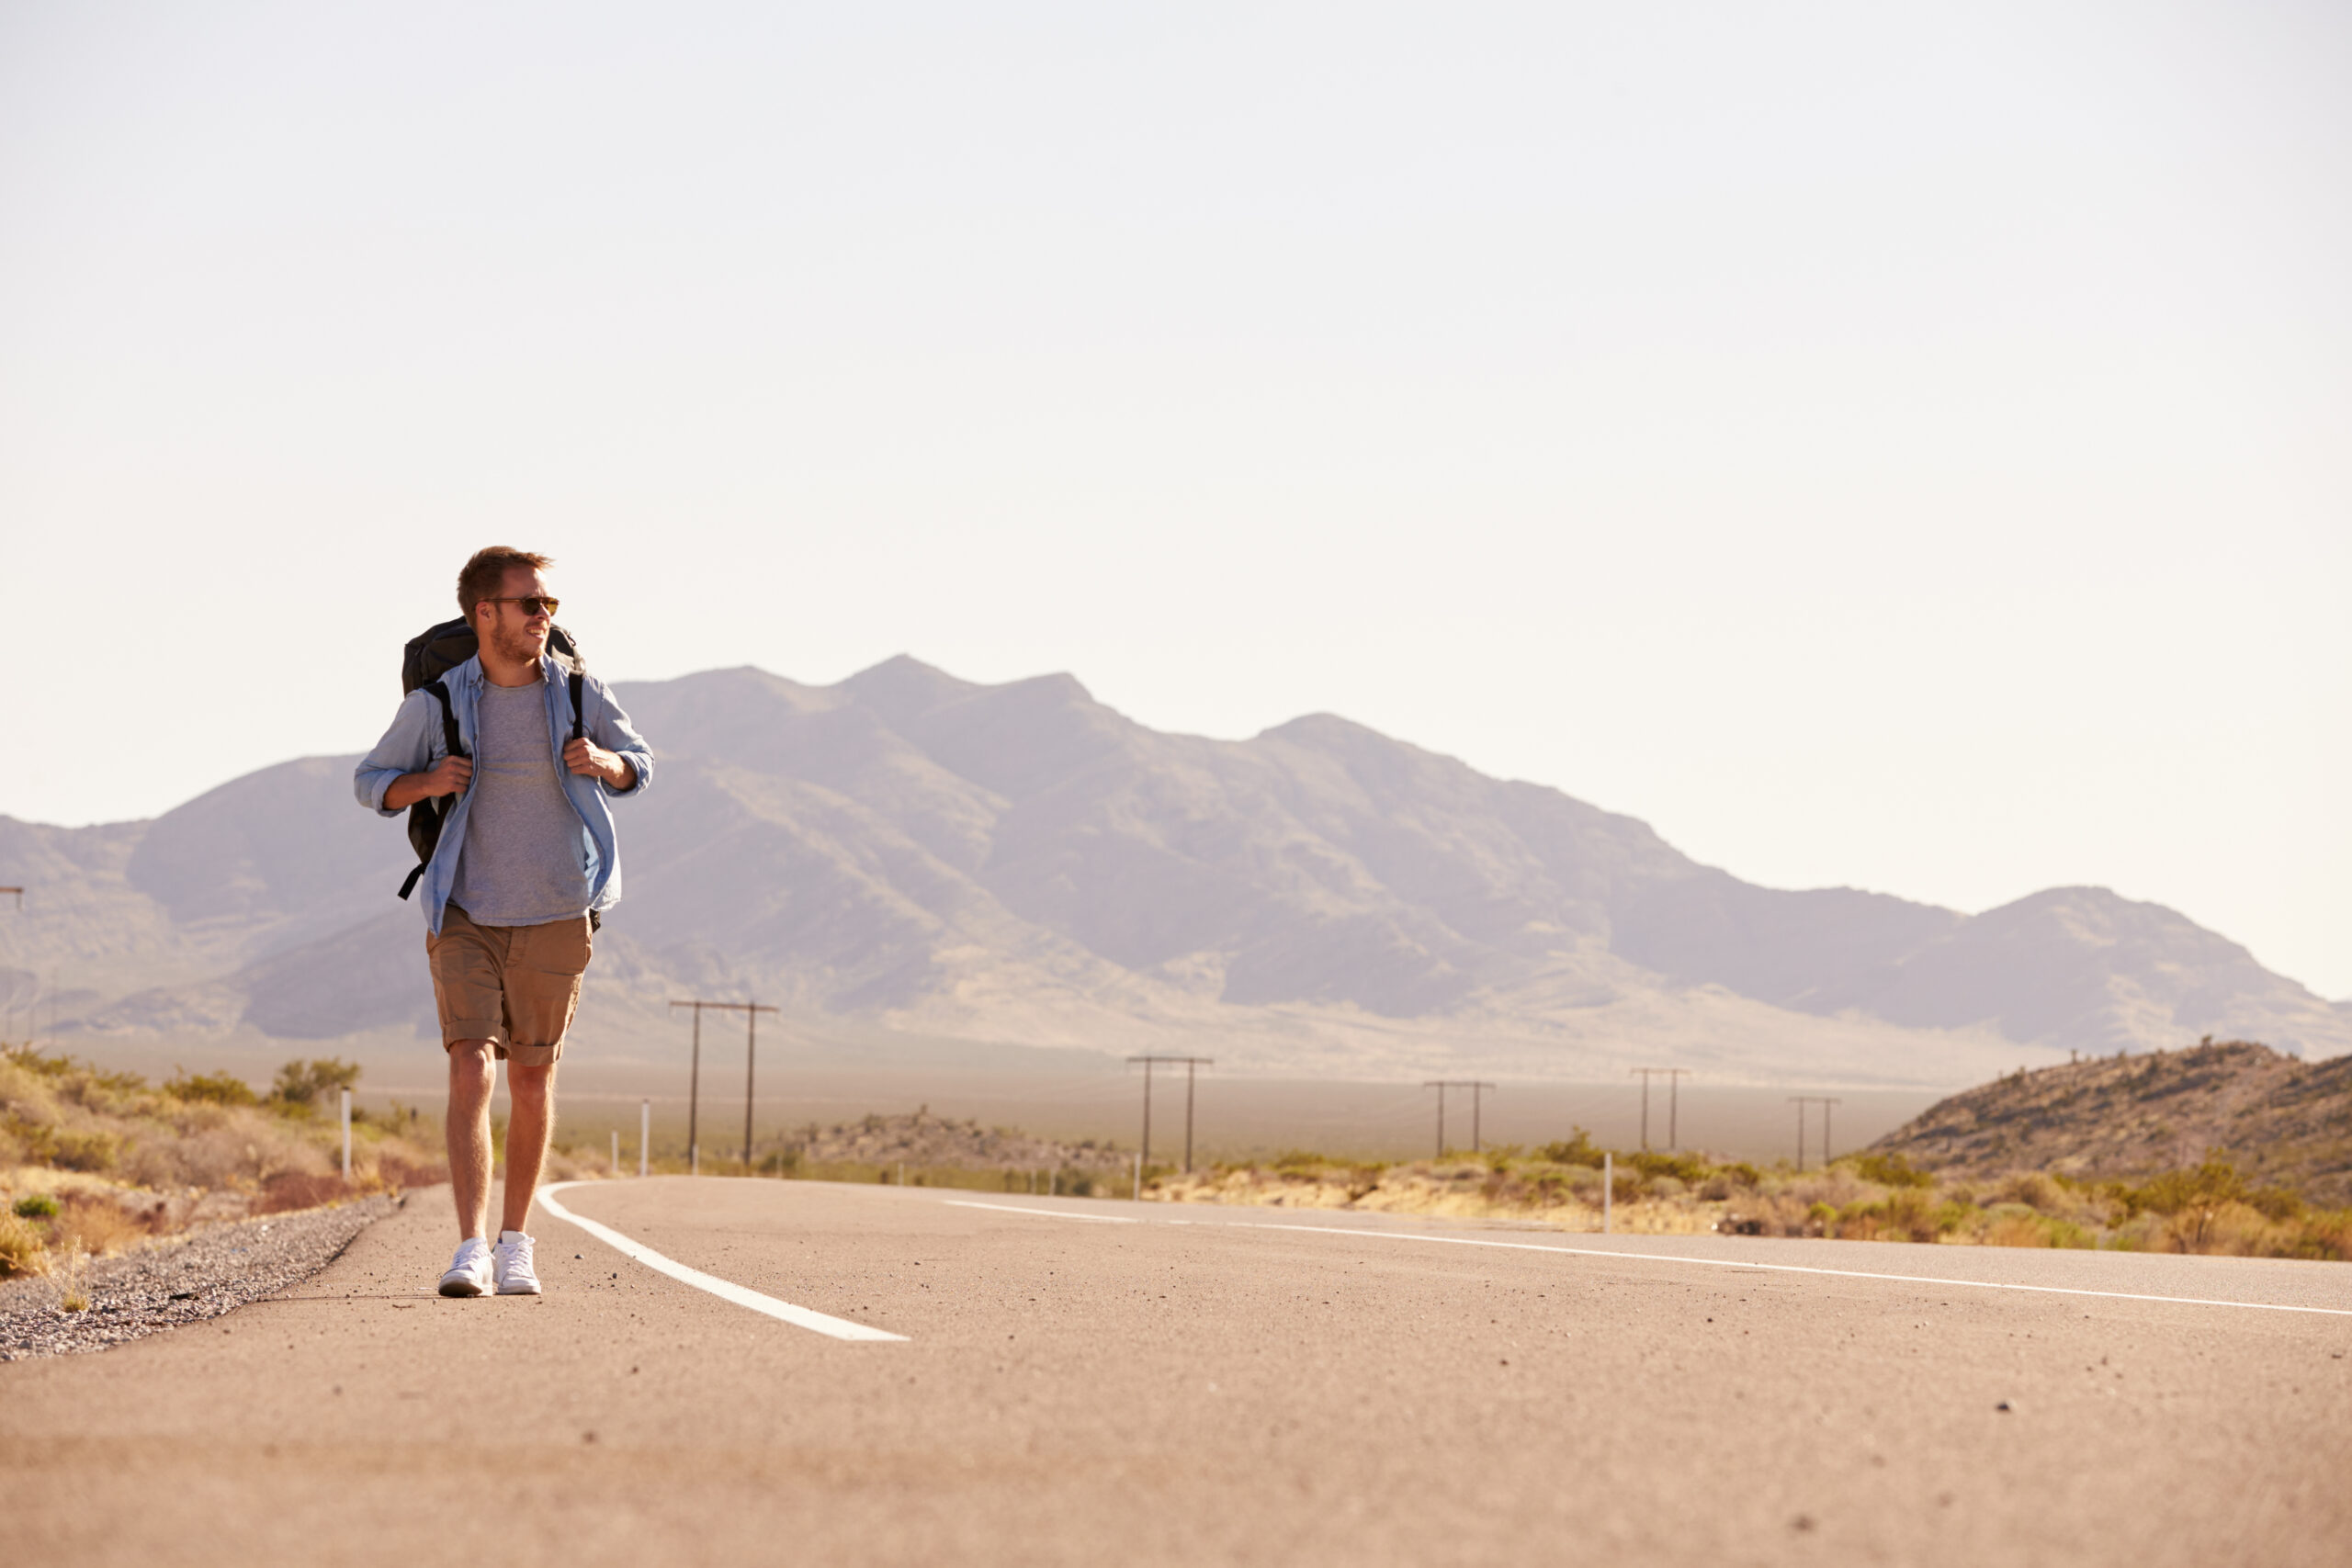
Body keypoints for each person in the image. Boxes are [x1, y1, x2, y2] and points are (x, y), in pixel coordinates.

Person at [355, 547, 653, 1298]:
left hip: (557, 909)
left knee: (532, 1074)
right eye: (530, 604)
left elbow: (641, 762)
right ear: (483, 613)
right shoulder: (441, 703)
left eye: (548, 605)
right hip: (465, 910)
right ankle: (469, 1248)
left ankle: (515, 1242)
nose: (544, 617)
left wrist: (607, 764)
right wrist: (425, 780)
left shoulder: (579, 692)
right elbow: (370, 783)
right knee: (469, 1064)